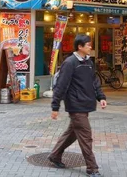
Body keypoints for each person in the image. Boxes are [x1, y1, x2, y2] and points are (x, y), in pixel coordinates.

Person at [49, 34, 106, 177]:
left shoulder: (88, 62)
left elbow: (94, 81)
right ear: (80, 47)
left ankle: (55, 156)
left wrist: (101, 97)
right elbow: (60, 86)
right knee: (86, 136)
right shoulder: (70, 63)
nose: (90, 47)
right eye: (88, 45)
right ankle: (92, 168)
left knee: (73, 132)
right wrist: (55, 107)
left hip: (85, 103)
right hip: (76, 105)